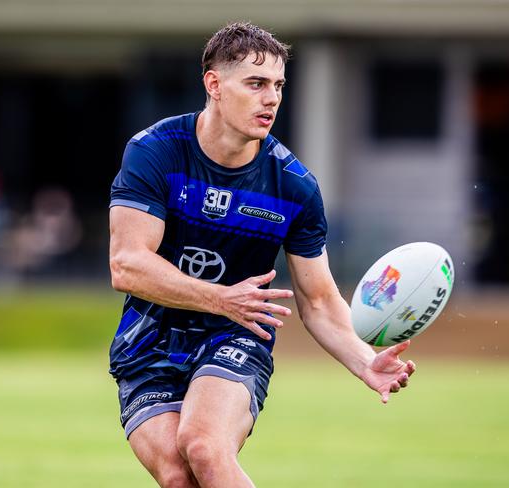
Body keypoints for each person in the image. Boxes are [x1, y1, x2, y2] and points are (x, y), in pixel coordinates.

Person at [109, 22, 416, 487]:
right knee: (176, 474)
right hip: (149, 341)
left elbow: (317, 299)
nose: (271, 98)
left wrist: (364, 360)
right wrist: (219, 296)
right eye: (256, 84)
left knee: (205, 448)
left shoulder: (294, 186)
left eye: (277, 86)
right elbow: (127, 264)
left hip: (236, 336)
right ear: (214, 84)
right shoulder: (155, 152)